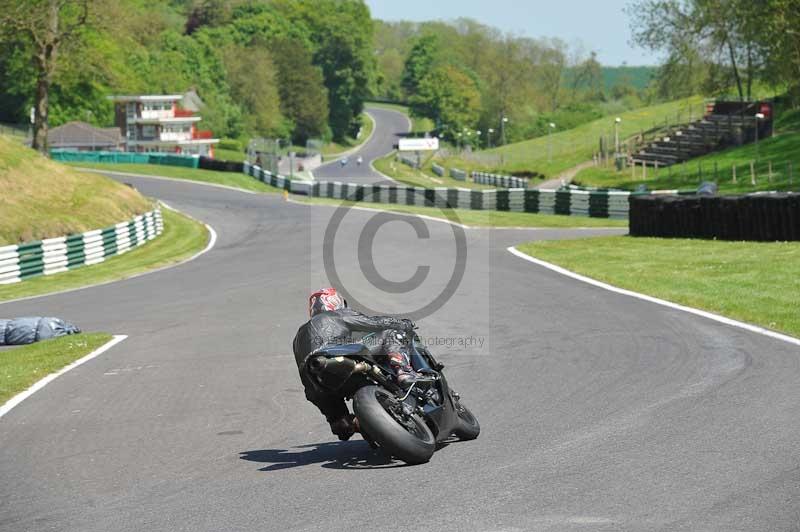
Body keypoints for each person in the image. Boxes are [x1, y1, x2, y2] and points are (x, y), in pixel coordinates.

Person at [292, 287, 418, 441]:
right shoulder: (337, 314)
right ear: (335, 302)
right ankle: (403, 371)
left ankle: (344, 423)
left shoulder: (298, 336)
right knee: (390, 334)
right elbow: (374, 323)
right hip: (338, 359)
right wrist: (403, 324)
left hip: (316, 384)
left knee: (341, 424)